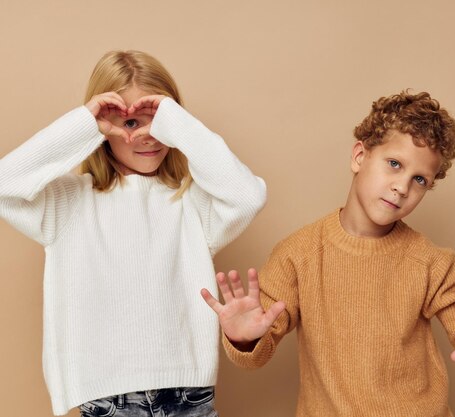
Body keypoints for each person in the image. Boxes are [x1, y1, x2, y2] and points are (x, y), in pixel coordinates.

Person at [202, 91, 455, 416]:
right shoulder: (298, 253)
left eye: (419, 179)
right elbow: (260, 344)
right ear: (359, 156)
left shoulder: (432, 262)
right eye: (394, 164)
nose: (402, 187)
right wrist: (245, 340)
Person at [0, 50, 266, 416]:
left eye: (156, 122)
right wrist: (84, 125)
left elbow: (248, 195)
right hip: (108, 397)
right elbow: (4, 184)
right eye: (129, 124)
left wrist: (177, 122)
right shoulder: (67, 203)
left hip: (187, 393)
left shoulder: (192, 203)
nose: (147, 137)